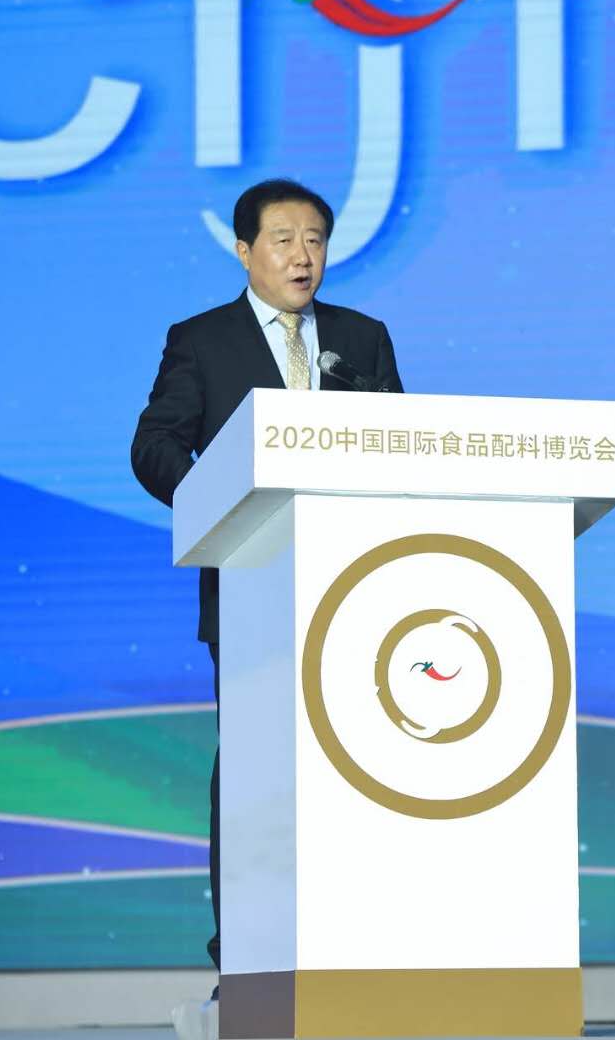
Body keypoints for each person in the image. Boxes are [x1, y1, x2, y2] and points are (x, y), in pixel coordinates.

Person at [131, 178, 403, 1002]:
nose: (302, 255)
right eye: (283, 239)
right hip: (253, 589)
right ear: (244, 250)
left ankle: (360, 952)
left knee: (363, 773)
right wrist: (218, 499)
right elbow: (155, 446)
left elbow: (403, 445)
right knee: (256, 779)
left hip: (356, 596)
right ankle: (247, 962)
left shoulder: (362, 338)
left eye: (315, 239)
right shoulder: (201, 341)